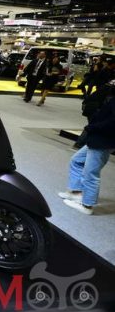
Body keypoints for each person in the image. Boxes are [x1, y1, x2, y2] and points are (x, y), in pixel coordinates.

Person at [59, 79, 115, 215]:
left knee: (91, 173)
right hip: (97, 137)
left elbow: (112, 122)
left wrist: (93, 127)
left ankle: (87, 205)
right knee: (76, 161)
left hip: (103, 140)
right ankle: (76, 192)